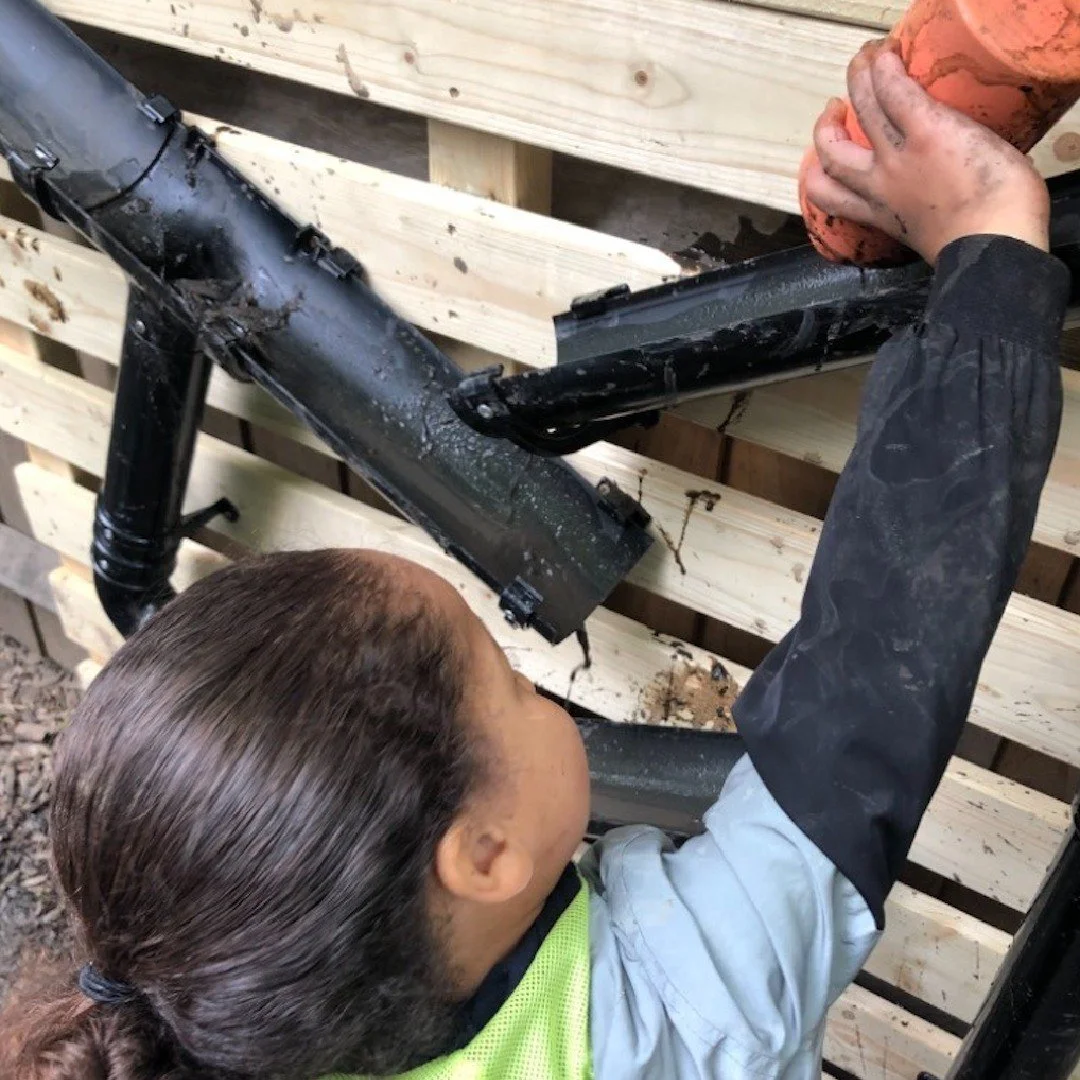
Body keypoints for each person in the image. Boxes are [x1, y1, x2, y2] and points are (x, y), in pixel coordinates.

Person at [0, 39, 1068, 1080]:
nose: (531, 685)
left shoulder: (243, 1027)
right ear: (483, 857)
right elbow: (863, 698)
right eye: (508, 686)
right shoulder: (689, 1019)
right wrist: (990, 258)